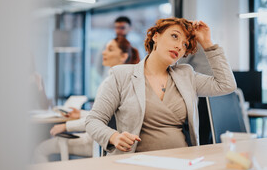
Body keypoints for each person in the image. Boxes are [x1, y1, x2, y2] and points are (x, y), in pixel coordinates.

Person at [85, 17, 237, 155]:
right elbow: (93, 120)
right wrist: (113, 137)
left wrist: (207, 44)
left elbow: (226, 85)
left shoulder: (186, 75)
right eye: (174, 36)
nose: (179, 46)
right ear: (156, 37)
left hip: (182, 161)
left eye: (184, 44)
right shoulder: (121, 75)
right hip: (137, 164)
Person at [33, 36, 139, 163]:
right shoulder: (125, 80)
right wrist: (80, 113)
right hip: (106, 139)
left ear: (123, 56)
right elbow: (109, 116)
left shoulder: (111, 82)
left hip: (98, 141)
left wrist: (66, 126)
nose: (103, 52)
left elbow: (96, 121)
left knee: (41, 149)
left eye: (110, 50)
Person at [178, 43, 213, 145]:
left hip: (201, 91)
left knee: (200, 131)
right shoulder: (203, 42)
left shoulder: (191, 43)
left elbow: (177, 63)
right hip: (210, 91)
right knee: (206, 132)